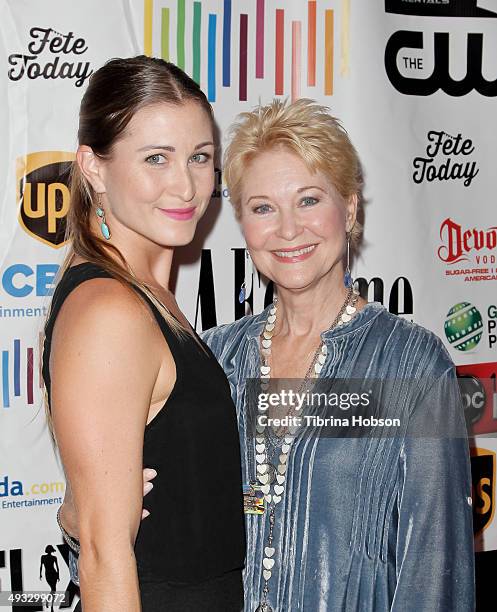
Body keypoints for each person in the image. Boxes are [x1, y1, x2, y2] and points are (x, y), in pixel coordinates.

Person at [61, 98, 475, 611]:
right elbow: (135, 544)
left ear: (348, 208)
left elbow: (436, 570)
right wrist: (78, 512)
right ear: (241, 223)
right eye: (262, 208)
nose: (287, 229)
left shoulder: (409, 366)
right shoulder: (218, 360)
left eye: (308, 200)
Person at [42, 56, 245, 612]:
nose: (185, 185)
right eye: (156, 158)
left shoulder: (144, 297)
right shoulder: (110, 310)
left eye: (200, 157)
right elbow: (106, 559)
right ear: (94, 167)